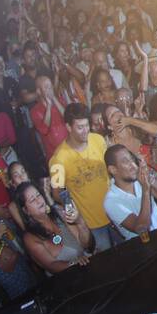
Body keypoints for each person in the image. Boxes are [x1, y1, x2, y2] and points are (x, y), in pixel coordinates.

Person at [48, 103, 117, 251]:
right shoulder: (58, 160)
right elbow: (56, 193)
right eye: (80, 127)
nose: (85, 131)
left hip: (115, 212)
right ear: (68, 127)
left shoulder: (98, 140)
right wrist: (71, 206)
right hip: (92, 224)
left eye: (87, 125)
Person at [13, 181, 93, 275]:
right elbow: (51, 265)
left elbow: (85, 244)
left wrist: (80, 222)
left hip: (86, 266)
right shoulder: (30, 237)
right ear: (26, 211)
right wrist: (74, 263)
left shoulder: (59, 213)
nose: (39, 200)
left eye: (38, 195)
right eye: (32, 200)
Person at [103, 144, 157, 241]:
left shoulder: (140, 181)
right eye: (125, 161)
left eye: (132, 159)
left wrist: (151, 181)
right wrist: (146, 190)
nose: (133, 165)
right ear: (113, 169)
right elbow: (141, 228)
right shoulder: (111, 201)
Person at [29, 74, 68, 158]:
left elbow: (68, 118)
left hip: (70, 147)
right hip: (55, 154)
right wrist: (49, 106)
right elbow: (44, 129)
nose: (50, 89)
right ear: (39, 91)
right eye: (46, 87)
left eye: (50, 86)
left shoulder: (60, 100)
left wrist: (54, 98)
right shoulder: (34, 111)